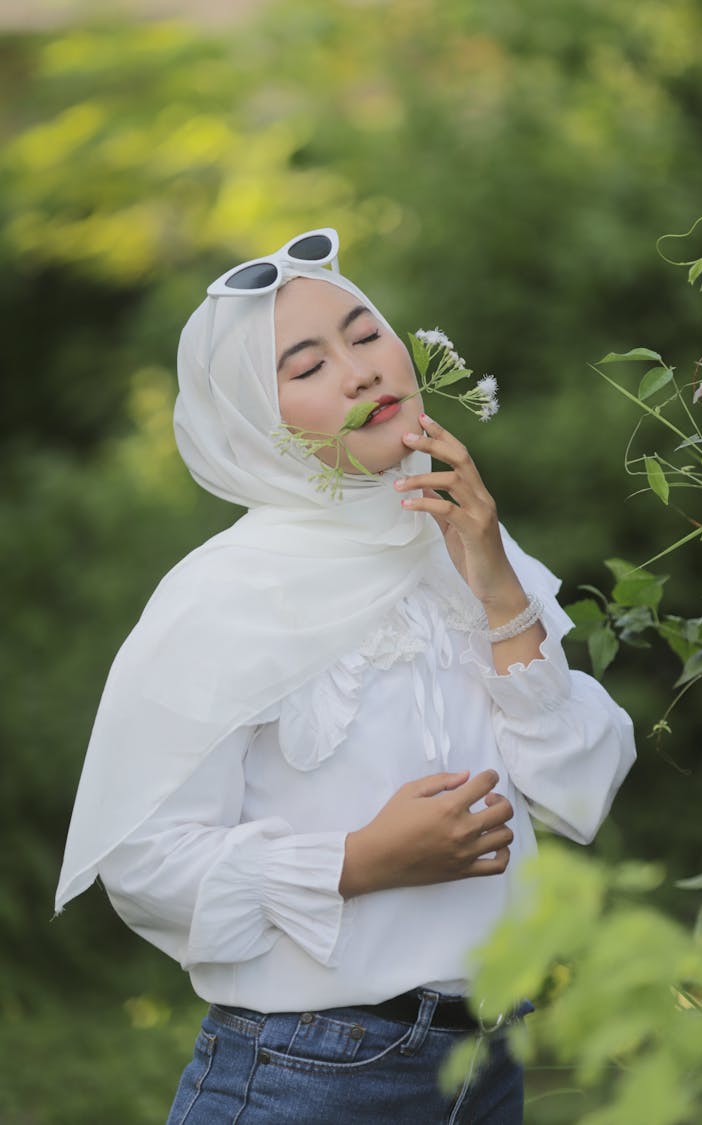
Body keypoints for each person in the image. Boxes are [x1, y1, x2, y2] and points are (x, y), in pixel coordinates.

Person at [55, 228, 635, 1124]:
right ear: (256, 422)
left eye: (366, 335)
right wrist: (357, 861)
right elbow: (143, 861)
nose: (360, 371)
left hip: (488, 1067)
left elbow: (578, 790)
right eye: (306, 364)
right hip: (307, 1074)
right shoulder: (221, 595)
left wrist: (496, 584)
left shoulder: (465, 545)